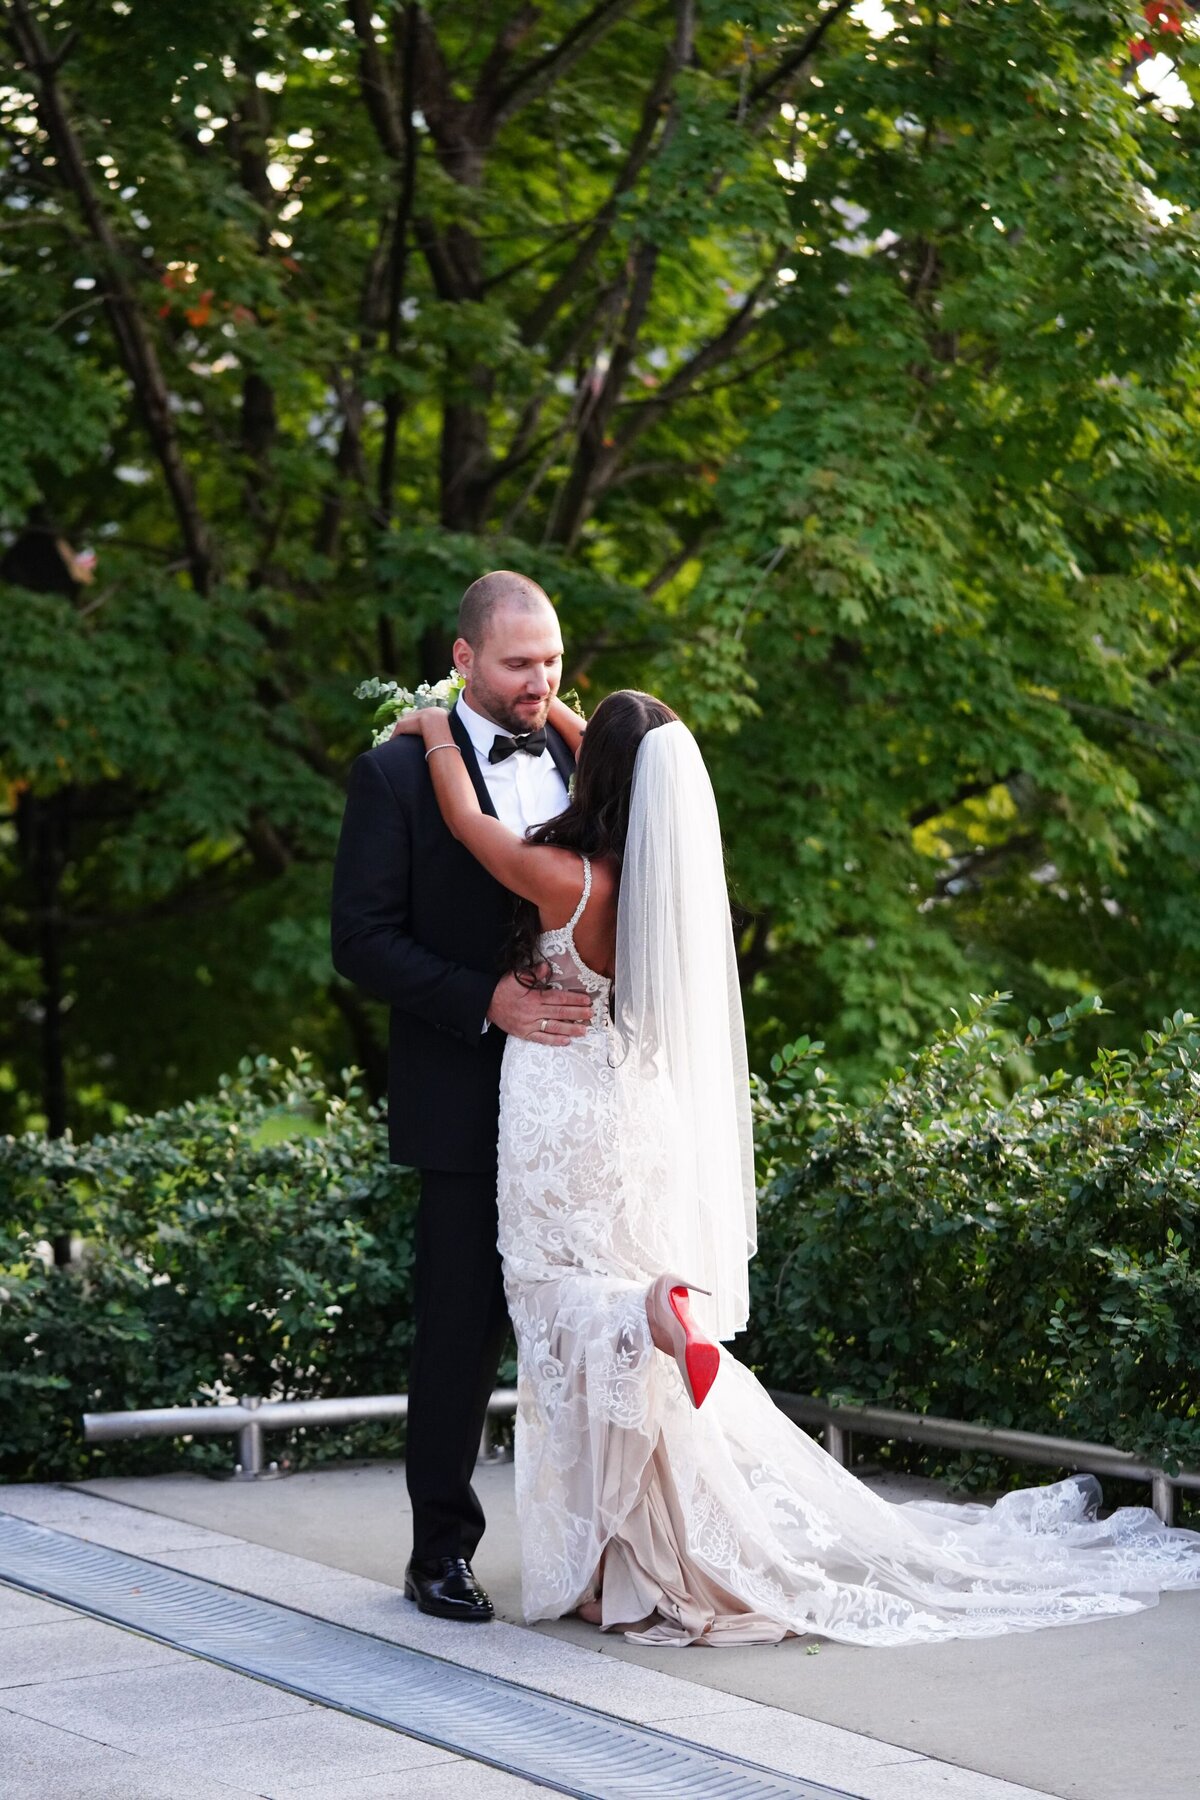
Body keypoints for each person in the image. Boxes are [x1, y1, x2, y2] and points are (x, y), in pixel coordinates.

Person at [389, 685, 1200, 1647]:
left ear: (596, 770)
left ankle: (643, 1336)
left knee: (557, 1304)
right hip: (635, 1112)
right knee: (612, 1340)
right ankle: (632, 1551)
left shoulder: (564, 877)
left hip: (559, 1114)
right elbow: (633, 764)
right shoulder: (649, 879)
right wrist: (579, 717)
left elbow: (465, 817)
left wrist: (434, 728)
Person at [330, 572, 593, 1624]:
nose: (540, 682)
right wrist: (484, 1000)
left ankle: (604, 1543)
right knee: (459, 1331)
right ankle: (439, 1552)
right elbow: (362, 943)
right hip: (463, 1094)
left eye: (554, 661)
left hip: (584, 1091)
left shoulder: (591, 754)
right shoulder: (394, 778)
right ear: (463, 658)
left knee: (595, 1321)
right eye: (519, 662)